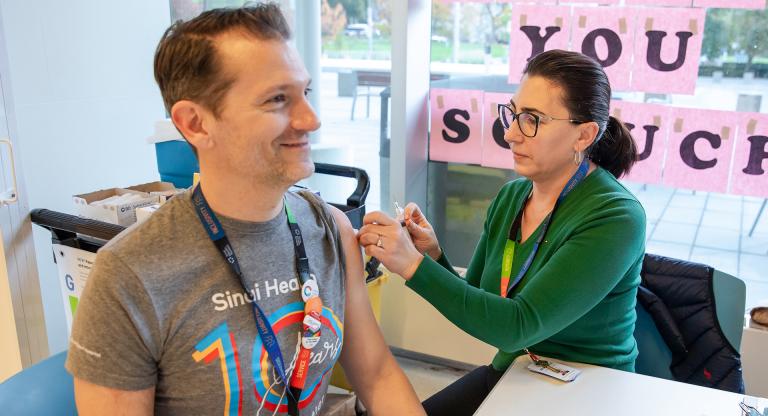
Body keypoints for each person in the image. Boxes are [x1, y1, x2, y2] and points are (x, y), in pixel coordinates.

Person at [66, 5, 424, 416]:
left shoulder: (330, 229)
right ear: (196, 124)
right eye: (277, 99)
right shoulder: (129, 276)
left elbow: (377, 376)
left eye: (304, 93)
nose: (311, 119)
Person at [358, 49, 645, 415]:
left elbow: (515, 327)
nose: (510, 133)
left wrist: (412, 265)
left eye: (532, 120)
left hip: (587, 391)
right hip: (518, 371)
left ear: (584, 135)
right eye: (513, 114)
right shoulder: (513, 195)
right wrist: (432, 255)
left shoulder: (616, 216)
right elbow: (480, 299)